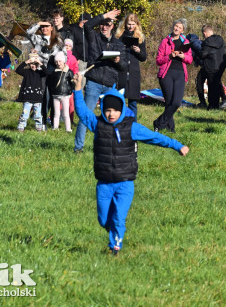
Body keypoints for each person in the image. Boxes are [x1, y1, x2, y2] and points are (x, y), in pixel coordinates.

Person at [73, 73, 189, 254]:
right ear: (103, 109)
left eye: (115, 110)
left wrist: (177, 145)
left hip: (125, 183)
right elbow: (81, 110)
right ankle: (115, 232)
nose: (111, 114)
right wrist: (78, 88)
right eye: (108, 110)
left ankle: (115, 247)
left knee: (118, 217)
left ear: (122, 110)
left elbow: (155, 138)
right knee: (104, 220)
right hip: (103, 183)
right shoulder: (98, 124)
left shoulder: (131, 127)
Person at [73, 10, 126, 154]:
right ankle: (78, 148)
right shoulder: (94, 37)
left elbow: (124, 67)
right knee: (86, 115)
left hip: (110, 84)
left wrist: (118, 61)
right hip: (94, 82)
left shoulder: (118, 45)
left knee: (113, 117)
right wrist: (104, 16)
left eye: (107, 24)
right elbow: (87, 26)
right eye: (102, 24)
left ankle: (111, 146)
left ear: (112, 26)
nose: (104, 27)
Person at [153, 19, 193, 132]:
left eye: (179, 28)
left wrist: (183, 56)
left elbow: (190, 60)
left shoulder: (186, 42)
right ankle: (171, 128)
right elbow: (158, 60)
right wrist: (169, 56)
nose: (177, 29)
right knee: (169, 102)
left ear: (182, 30)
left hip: (180, 74)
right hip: (167, 74)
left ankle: (158, 122)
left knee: (176, 102)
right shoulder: (165, 41)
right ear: (173, 26)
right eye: (176, 26)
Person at [115, 13, 147, 120]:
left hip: (134, 73)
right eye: (129, 24)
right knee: (120, 100)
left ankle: (133, 123)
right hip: (121, 72)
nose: (131, 26)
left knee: (133, 102)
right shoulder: (119, 36)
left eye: (133, 24)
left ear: (137, 24)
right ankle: (120, 122)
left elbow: (143, 57)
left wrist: (138, 51)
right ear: (125, 24)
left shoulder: (140, 37)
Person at [195, 24, 226, 109]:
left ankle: (212, 105)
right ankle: (222, 100)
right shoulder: (220, 39)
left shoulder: (207, 42)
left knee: (211, 84)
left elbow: (203, 54)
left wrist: (198, 52)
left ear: (205, 33)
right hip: (221, 65)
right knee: (216, 83)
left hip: (210, 65)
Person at [15, 52, 47, 132]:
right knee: (25, 114)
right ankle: (21, 127)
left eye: (35, 64)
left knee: (38, 115)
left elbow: (47, 73)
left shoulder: (40, 73)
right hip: (27, 98)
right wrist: (26, 62)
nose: (33, 65)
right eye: (31, 64)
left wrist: (40, 63)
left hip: (37, 98)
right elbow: (18, 70)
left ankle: (39, 127)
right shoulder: (26, 72)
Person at [47, 52, 74, 132]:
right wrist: (52, 91)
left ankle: (68, 129)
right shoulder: (54, 72)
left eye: (60, 61)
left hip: (65, 95)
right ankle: (55, 127)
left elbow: (72, 83)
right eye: (56, 62)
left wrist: (69, 91)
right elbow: (51, 83)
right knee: (56, 113)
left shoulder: (69, 72)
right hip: (55, 95)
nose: (58, 63)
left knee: (65, 113)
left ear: (64, 61)